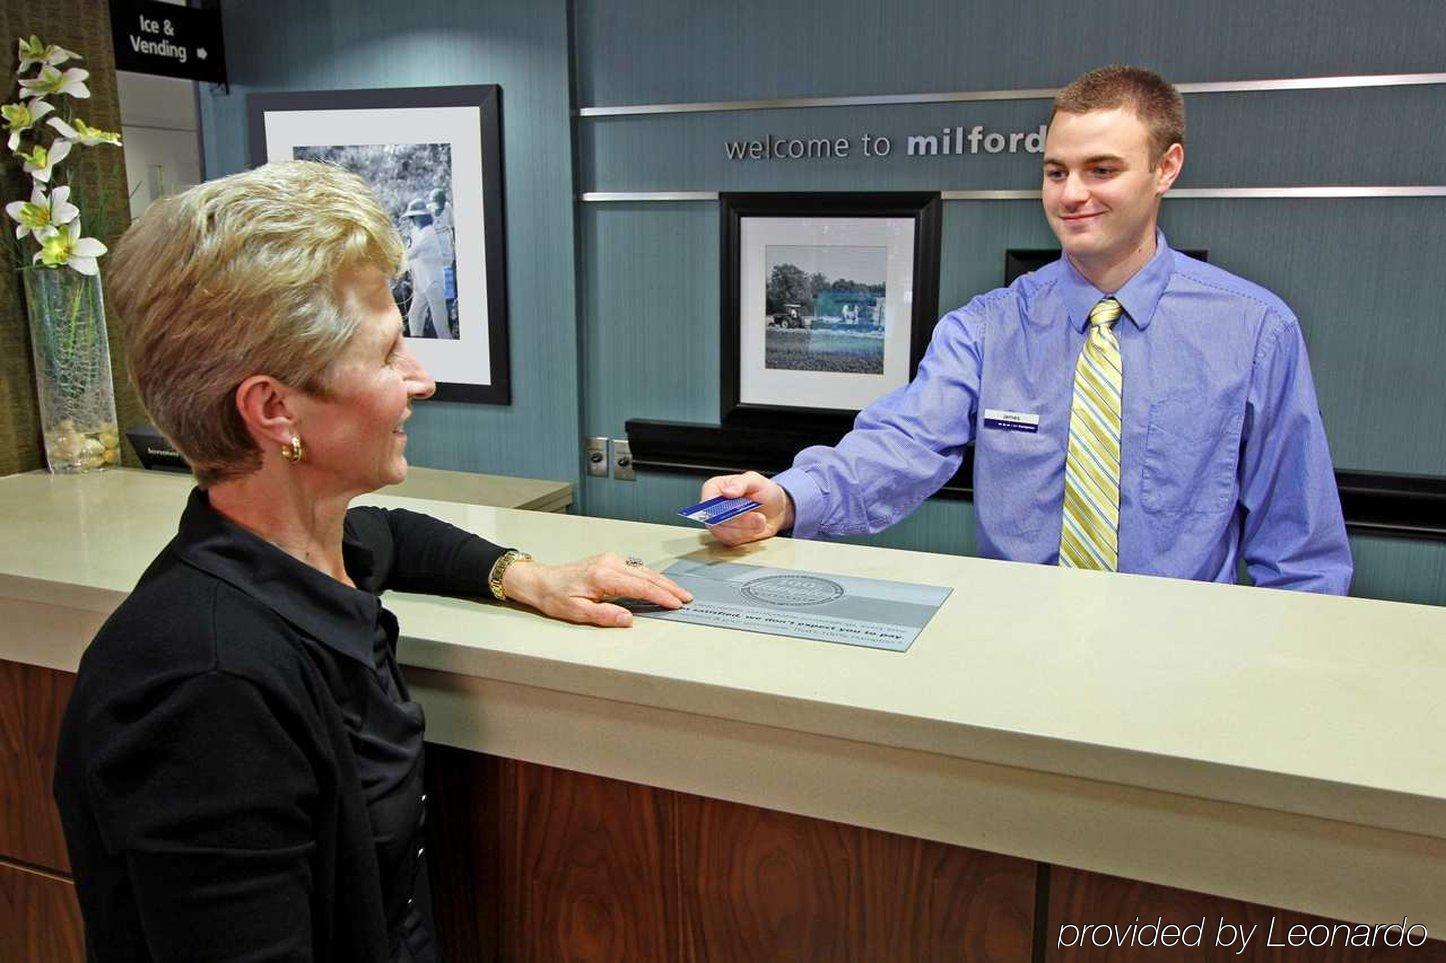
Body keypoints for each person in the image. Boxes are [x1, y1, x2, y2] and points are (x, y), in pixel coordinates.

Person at [52, 160, 691, 962]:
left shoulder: (308, 548)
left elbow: (394, 534)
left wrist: (525, 574)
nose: (420, 379)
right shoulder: (206, 690)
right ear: (274, 409)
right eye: (390, 354)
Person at [703, 65, 1352, 593]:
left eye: (1102, 170)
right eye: (1055, 171)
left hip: (1179, 673)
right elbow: (899, 446)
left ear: (1166, 167)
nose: (1072, 194)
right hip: (1015, 656)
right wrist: (784, 499)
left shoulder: (1256, 331)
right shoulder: (985, 328)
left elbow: (1299, 553)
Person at [401, 198, 452, 339]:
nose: (412, 220)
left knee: (440, 324)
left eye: (413, 217)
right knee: (414, 315)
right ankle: (417, 341)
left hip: (433, 283)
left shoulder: (428, 233)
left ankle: (448, 344)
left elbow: (413, 253)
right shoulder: (416, 232)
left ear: (420, 217)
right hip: (422, 284)